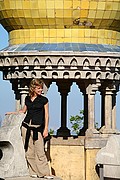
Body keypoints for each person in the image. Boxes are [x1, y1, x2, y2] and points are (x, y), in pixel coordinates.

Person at [6, 79, 53, 179]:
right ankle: (33, 171)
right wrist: (12, 113)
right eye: (38, 88)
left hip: (38, 128)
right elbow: (23, 111)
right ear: (33, 88)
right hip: (26, 127)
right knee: (29, 151)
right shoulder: (27, 98)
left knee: (40, 151)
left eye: (41, 88)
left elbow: (47, 115)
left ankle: (45, 173)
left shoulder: (44, 100)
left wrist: (46, 129)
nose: (41, 90)